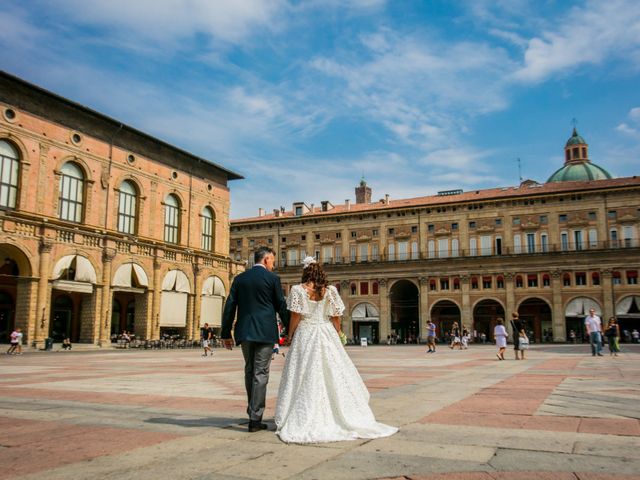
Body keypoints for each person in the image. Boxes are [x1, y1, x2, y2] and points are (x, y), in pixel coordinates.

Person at [275, 257, 397, 444]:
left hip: (306, 333)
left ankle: (303, 412)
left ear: (305, 272)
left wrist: (290, 334)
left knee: (303, 372)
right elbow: (336, 315)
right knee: (333, 370)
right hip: (325, 332)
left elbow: (295, 316)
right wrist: (338, 333)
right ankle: (341, 412)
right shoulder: (330, 290)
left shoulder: (298, 290)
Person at [221, 246, 289, 433]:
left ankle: (253, 412)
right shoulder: (272, 279)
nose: (273, 265)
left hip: (245, 331)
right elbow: (281, 306)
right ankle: (255, 417)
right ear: (266, 259)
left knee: (250, 370)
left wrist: (226, 333)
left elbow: (230, 306)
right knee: (261, 373)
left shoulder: (240, 279)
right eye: (273, 261)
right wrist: (291, 329)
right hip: (266, 332)